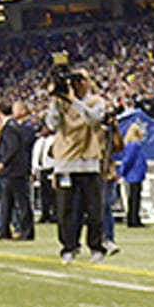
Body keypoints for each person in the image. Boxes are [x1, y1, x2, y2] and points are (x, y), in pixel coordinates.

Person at [45, 67, 108, 264]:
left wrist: (75, 102)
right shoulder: (60, 103)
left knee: (94, 209)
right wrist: (56, 100)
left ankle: (96, 246)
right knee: (65, 210)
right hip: (65, 161)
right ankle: (68, 247)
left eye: (83, 79)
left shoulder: (96, 102)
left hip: (89, 161)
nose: (79, 83)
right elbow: (52, 124)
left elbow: (94, 120)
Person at [0, 100, 34, 241]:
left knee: (20, 201)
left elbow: (12, 147)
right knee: (8, 201)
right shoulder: (12, 126)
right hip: (14, 170)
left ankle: (26, 231)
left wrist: (3, 163)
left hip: (14, 170)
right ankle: (4, 230)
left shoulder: (10, 127)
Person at [117, 122, 147, 228]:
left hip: (135, 173)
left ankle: (134, 218)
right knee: (134, 197)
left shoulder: (133, 144)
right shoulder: (133, 145)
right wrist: (122, 172)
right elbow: (128, 160)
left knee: (134, 197)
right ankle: (133, 219)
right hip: (134, 173)